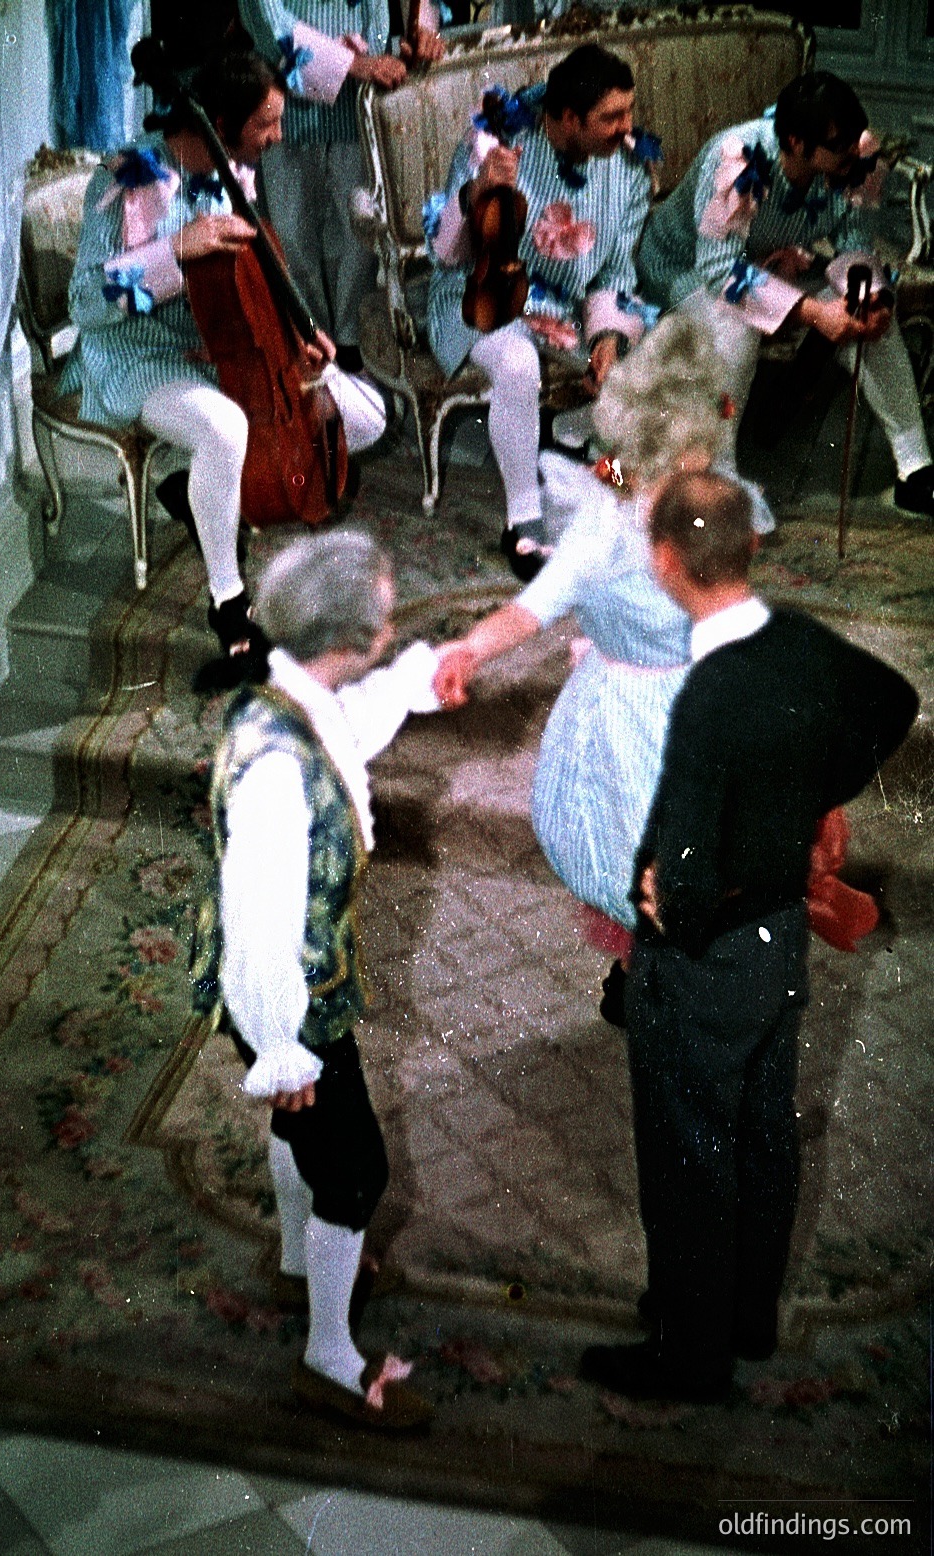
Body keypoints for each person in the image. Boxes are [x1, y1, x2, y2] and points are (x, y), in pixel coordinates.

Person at [578, 470, 918, 1403]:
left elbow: (683, 876)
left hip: (709, 958)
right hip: (779, 941)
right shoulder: (798, 641)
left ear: (662, 561)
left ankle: (688, 1355)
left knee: (690, 1150)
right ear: (750, 547)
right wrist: (815, 796)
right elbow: (893, 703)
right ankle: (747, 1319)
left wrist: (659, 907)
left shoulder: (710, 696)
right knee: (764, 1129)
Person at [433, 313, 774, 1015]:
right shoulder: (607, 529)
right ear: (662, 449)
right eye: (695, 457)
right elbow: (532, 609)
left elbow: (633, 477)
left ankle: (657, 975)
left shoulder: (674, 483)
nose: (706, 470)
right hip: (629, 717)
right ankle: (640, 981)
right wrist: (469, 648)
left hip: (701, 696)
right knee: (637, 854)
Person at [188, 529, 441, 1429]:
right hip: (284, 994)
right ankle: (328, 1359)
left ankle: (303, 1260)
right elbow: (260, 922)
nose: (393, 609)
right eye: (384, 603)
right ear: (350, 632)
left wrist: (417, 678)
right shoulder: (277, 777)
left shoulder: (292, 694)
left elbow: (348, 729)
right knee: (356, 1172)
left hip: (292, 981)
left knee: (310, 1145)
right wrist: (284, 1051)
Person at [62, 47, 387, 677]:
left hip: (228, 346)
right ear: (217, 119)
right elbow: (83, 303)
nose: (278, 135)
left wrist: (303, 330)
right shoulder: (128, 175)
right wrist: (173, 250)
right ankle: (230, 606)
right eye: (267, 123)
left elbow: (258, 268)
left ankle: (197, 488)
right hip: (139, 356)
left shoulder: (233, 167)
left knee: (366, 417)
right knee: (225, 428)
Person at [637, 69, 934, 517]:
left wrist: (872, 298)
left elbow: (852, 239)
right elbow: (719, 270)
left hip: (770, 259)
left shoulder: (851, 155)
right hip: (684, 271)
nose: (854, 152)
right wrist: (815, 312)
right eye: (839, 145)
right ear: (795, 142)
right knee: (737, 323)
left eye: (855, 139)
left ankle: (916, 469)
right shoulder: (737, 158)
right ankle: (720, 477)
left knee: (874, 323)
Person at [424, 43, 657, 579]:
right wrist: (480, 186)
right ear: (569, 119)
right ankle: (524, 518)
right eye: (612, 117)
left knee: (640, 357)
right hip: (479, 293)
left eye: (629, 112)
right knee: (517, 363)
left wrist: (607, 339)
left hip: (566, 309)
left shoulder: (627, 169)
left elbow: (614, 274)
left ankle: (612, 483)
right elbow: (445, 252)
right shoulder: (499, 135)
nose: (627, 128)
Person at [238, 1, 445, 369]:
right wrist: (353, 64)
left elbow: (391, 14)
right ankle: (310, 360)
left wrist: (406, 40)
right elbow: (267, 23)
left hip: (359, 109)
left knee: (358, 246)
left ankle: (353, 363)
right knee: (293, 241)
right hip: (286, 111)